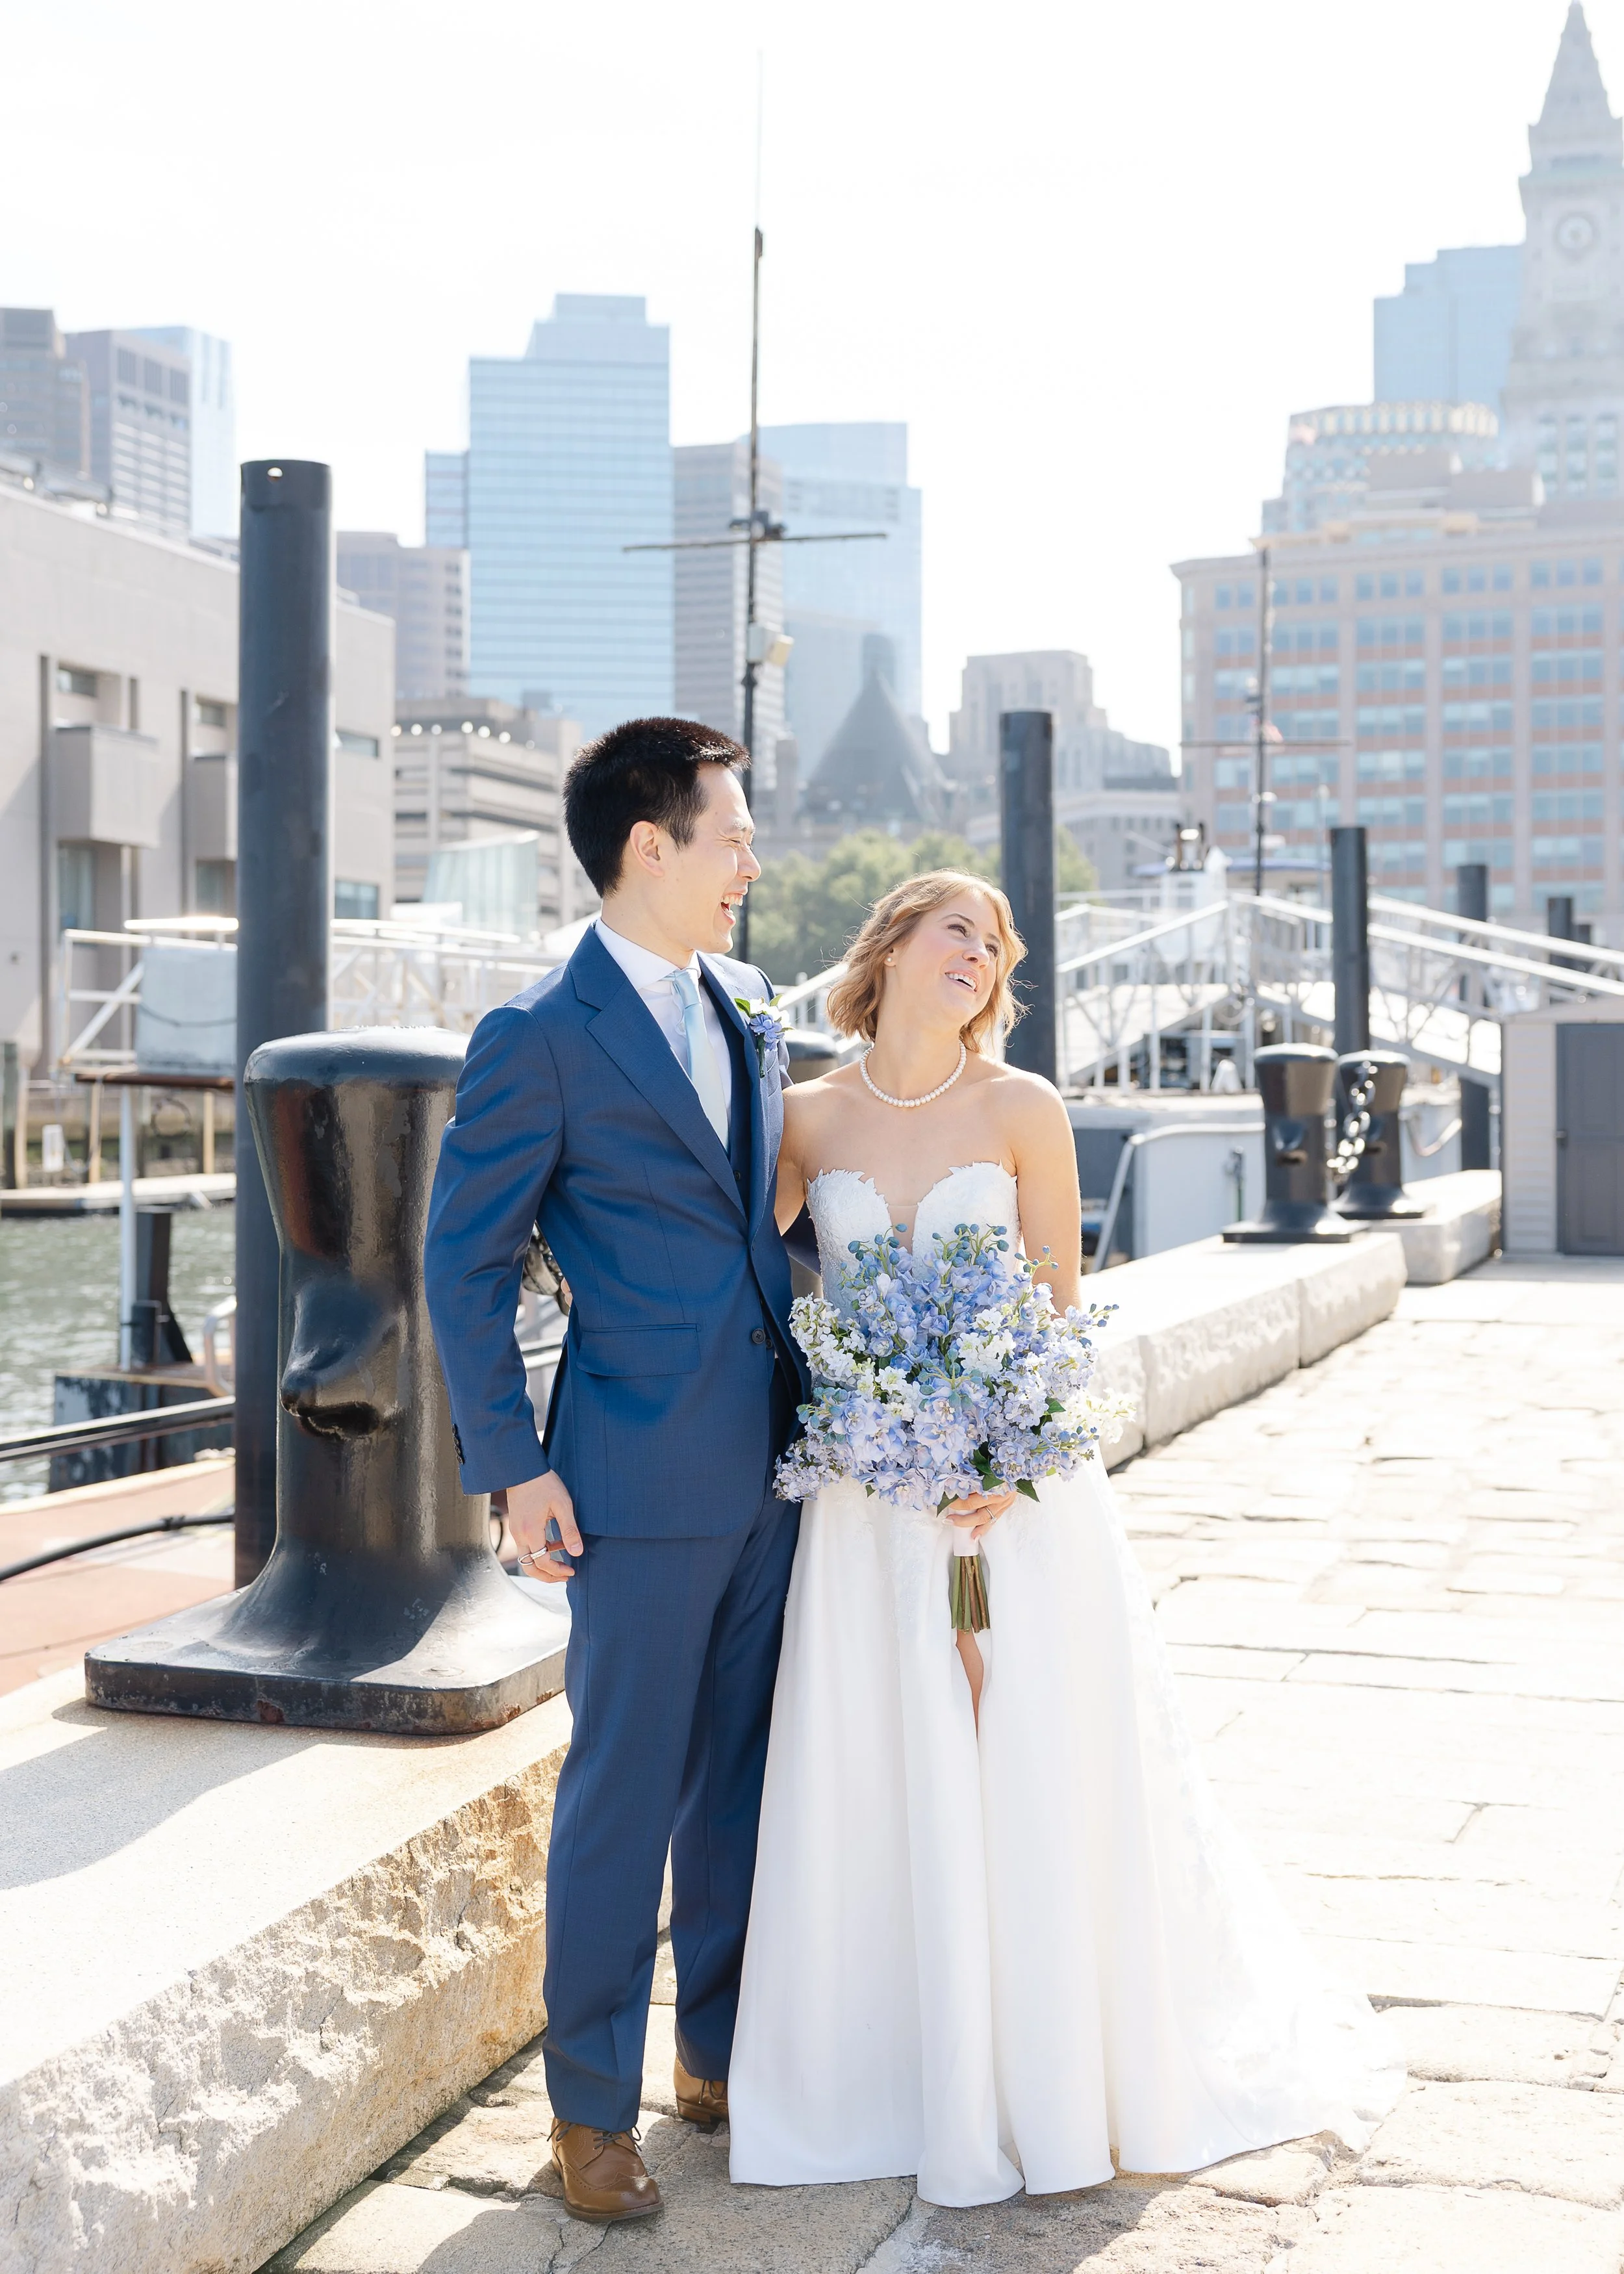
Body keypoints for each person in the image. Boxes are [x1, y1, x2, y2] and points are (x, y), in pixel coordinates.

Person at [727, 869, 1402, 2207]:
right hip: (868, 1508)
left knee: (1026, 1753)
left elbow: (1052, 1300)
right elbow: (749, 1269)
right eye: (954, 929)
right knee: (882, 1761)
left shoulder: (1025, 1107)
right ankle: (890, 2069)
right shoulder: (800, 1118)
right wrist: (860, 1415)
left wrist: (1005, 1454)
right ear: (889, 947)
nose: (980, 952)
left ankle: (1048, 2065)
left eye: (996, 940)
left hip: (1013, 1501)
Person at [423, 719, 805, 2226]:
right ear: (649, 846)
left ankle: (711, 2056)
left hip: (778, 1460)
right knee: (620, 1796)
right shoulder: (540, 1031)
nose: (750, 863)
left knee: (738, 1786)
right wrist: (513, 1468)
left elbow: (760, 1218)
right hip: (631, 1478)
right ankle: (589, 2108)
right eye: (732, 836)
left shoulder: (749, 1004)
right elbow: (463, 1267)